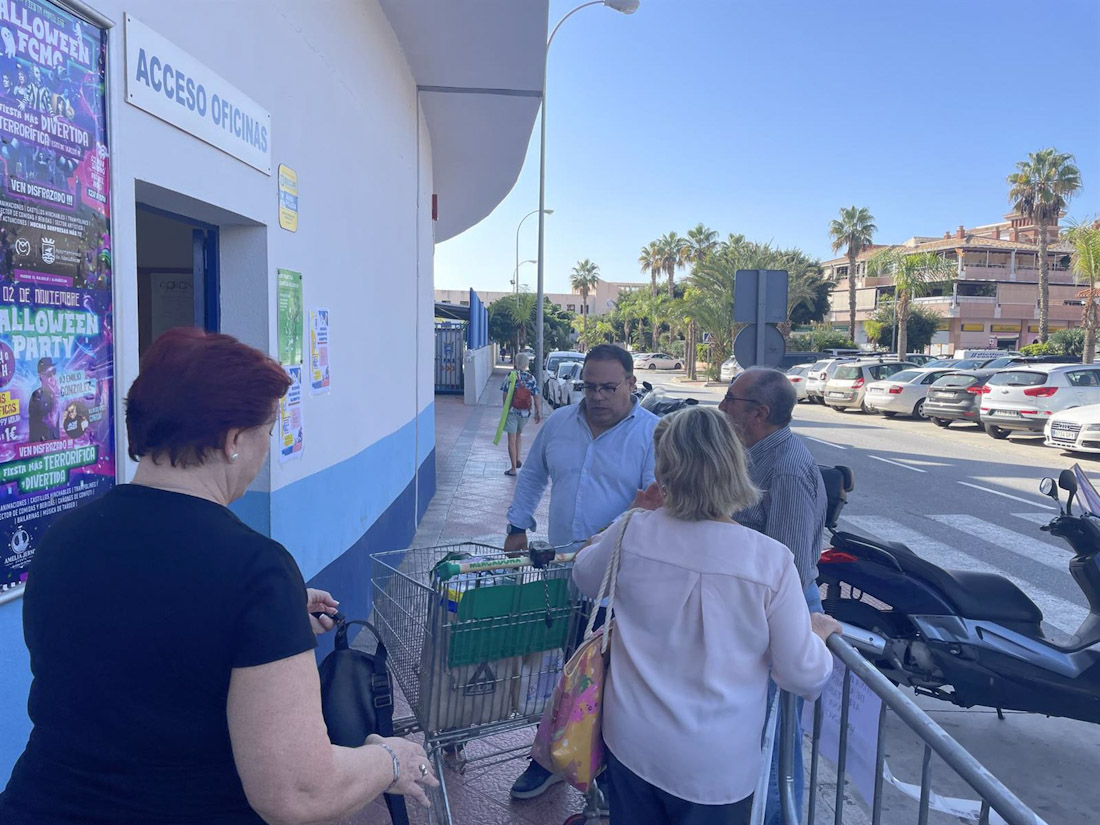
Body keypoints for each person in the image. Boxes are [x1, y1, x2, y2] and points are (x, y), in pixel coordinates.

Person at [0, 328, 439, 824]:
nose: (265, 450)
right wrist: (391, 760)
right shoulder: (255, 571)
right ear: (233, 439)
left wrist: (270, 625)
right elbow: (299, 790)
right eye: (268, 432)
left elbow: (138, 634)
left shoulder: (63, 537)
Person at [573, 406, 838, 825]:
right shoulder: (769, 562)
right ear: (734, 466)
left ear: (664, 470)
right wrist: (818, 636)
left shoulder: (633, 530)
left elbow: (586, 578)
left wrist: (632, 513)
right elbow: (802, 675)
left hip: (630, 742)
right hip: (715, 768)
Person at [504, 343, 658, 799]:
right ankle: (550, 758)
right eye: (589, 386)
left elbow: (650, 507)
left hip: (619, 583)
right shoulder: (559, 424)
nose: (597, 396)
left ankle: (607, 772)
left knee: (613, 684)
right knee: (562, 672)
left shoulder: (653, 435)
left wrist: (603, 546)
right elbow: (532, 475)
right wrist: (518, 524)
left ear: (631, 383)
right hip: (564, 578)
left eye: (609, 387)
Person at [719, 366, 828, 825]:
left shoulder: (785, 469)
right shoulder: (752, 453)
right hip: (753, 618)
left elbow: (787, 569)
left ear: (759, 413)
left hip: (778, 619)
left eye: (730, 400)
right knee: (752, 734)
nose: (721, 408)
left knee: (776, 743)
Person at [501, 352, 540, 476]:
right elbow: (536, 395)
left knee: (511, 439)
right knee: (519, 435)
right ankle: (518, 458)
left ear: (516, 362)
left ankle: (513, 468)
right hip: (525, 412)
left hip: (512, 411)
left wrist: (505, 409)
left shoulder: (510, 376)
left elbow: (505, 394)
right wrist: (537, 411)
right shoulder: (531, 378)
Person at [27, 356, 61, 441]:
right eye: (49, 374)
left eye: (54, 371)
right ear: (41, 375)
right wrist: (56, 397)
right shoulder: (37, 397)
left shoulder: (52, 394)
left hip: (55, 448)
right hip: (41, 449)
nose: (53, 377)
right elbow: (51, 422)